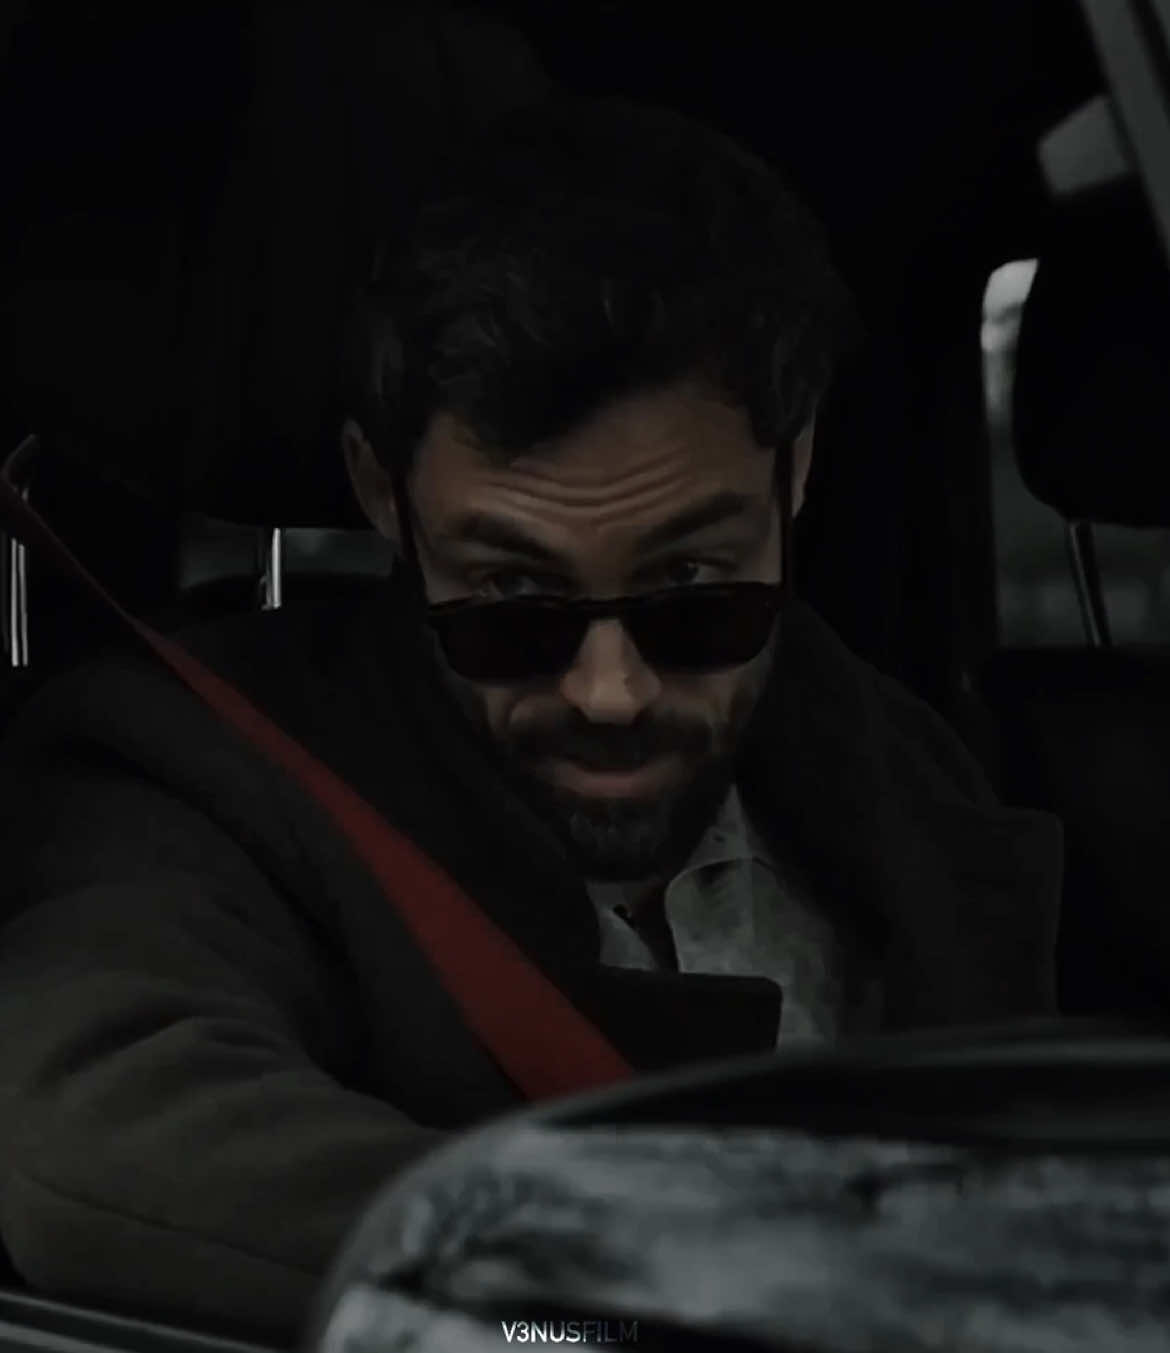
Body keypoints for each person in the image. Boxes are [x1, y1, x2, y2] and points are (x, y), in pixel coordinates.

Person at [0, 94, 1062, 1341]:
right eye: (511, 602)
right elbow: (104, 1132)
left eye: (694, 594)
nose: (612, 690)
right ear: (382, 493)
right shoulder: (189, 772)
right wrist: (722, 1268)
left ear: (799, 470)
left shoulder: (913, 779)